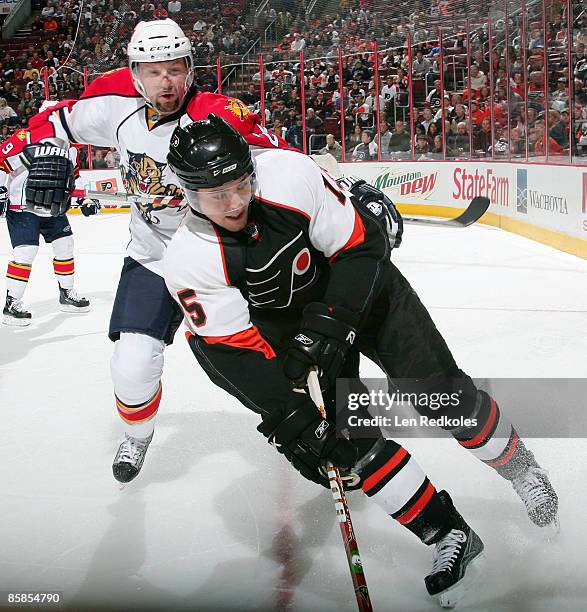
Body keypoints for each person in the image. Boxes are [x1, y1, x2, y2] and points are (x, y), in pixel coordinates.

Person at [165, 115, 559, 549]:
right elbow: (230, 350)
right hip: (294, 335)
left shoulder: (289, 175)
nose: (236, 202)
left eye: (242, 184)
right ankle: (449, 534)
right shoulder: (189, 258)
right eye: (218, 195)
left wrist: (329, 326)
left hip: (366, 297)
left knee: (443, 395)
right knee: (349, 441)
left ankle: (523, 469)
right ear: (190, 194)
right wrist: (289, 415)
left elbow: (360, 247)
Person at [20, 19, 285, 483]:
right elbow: (50, 121)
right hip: (152, 254)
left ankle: (304, 421)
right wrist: (48, 151)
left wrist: (339, 192)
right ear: (136, 73)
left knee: (273, 352)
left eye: (176, 69)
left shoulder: (219, 113)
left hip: (219, 257)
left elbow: (284, 161)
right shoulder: (112, 107)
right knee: (132, 362)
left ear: (190, 68)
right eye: (154, 71)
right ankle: (137, 436)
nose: (167, 82)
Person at [0, 100, 92, 326]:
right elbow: (2, 162)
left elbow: (73, 179)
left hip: (53, 207)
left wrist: (85, 199)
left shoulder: (71, 148)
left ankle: (66, 294)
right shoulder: (25, 138)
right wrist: (1, 190)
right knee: (26, 253)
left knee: (65, 245)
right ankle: (12, 304)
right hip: (22, 206)